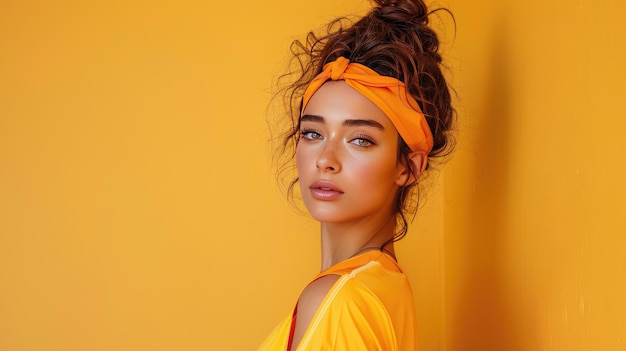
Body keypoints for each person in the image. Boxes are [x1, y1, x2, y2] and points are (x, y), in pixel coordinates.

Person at [260, 0, 455, 349]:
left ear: (408, 166)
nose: (326, 160)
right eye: (313, 133)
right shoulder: (381, 287)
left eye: (360, 140)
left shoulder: (342, 300)